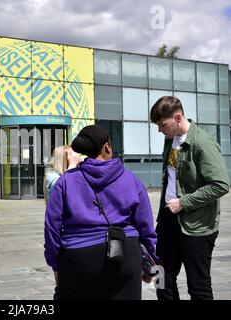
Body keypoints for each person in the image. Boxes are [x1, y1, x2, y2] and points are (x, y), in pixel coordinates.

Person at [44, 125, 157, 300]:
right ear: (107, 146)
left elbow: (52, 226)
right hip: (125, 254)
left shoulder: (66, 181)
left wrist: (55, 263)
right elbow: (146, 226)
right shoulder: (131, 179)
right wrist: (151, 262)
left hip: (77, 258)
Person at [150, 96, 229, 300]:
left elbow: (220, 184)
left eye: (162, 125)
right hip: (168, 219)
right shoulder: (170, 141)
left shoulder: (203, 143)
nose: (159, 130)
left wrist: (184, 202)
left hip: (197, 226)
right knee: (160, 277)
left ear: (177, 117)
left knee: (198, 287)